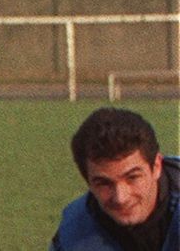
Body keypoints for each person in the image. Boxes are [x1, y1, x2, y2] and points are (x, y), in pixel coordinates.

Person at [51, 107, 180, 251]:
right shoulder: (72, 237)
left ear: (156, 167)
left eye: (132, 177)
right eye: (104, 183)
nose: (121, 198)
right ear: (88, 182)